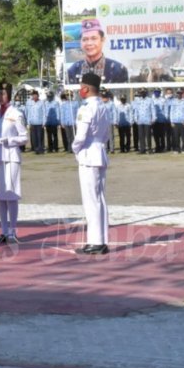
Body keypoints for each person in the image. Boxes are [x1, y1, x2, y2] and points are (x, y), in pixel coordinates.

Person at [72, 72, 112, 255]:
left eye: (81, 86)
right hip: (100, 152)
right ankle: (101, 240)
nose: (80, 89)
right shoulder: (104, 107)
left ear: (86, 88)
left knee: (91, 200)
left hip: (88, 154)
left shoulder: (86, 108)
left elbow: (80, 136)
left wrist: (75, 149)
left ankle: (95, 241)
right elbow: (107, 134)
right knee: (100, 199)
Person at [0, 81, 28, 245]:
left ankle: (13, 230)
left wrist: (9, 140)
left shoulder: (16, 114)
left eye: (2, 93)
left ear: (8, 94)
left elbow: (24, 138)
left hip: (10, 157)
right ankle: (3, 230)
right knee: (0, 196)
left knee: (11, 195)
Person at [67, 18, 129, 85]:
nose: (89, 43)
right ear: (80, 42)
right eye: (85, 39)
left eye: (94, 38)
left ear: (102, 40)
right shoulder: (73, 70)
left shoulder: (118, 70)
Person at [132, 88, 155, 154]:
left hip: (147, 120)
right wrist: (135, 119)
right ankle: (142, 149)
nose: (142, 93)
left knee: (148, 135)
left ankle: (149, 149)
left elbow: (152, 110)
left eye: (144, 92)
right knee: (141, 136)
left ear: (146, 93)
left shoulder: (150, 100)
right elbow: (136, 110)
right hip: (140, 120)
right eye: (141, 92)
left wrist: (153, 118)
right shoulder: (138, 100)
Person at [168, 89, 184, 153]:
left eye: (180, 93)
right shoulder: (173, 101)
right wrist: (171, 121)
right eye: (178, 93)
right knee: (176, 136)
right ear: (176, 94)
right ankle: (176, 149)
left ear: (182, 94)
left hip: (183, 121)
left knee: (183, 137)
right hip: (175, 121)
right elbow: (171, 111)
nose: (179, 94)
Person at [25, 90, 46, 155]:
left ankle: (41, 149)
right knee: (34, 137)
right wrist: (28, 122)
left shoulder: (41, 102)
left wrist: (44, 122)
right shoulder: (29, 103)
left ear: (37, 95)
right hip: (32, 122)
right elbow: (27, 112)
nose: (34, 96)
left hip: (39, 122)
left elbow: (44, 113)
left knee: (40, 136)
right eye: (33, 95)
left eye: (35, 95)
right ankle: (36, 149)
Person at [151, 88, 167, 153]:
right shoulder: (152, 100)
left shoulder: (163, 100)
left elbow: (165, 110)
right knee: (155, 135)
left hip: (161, 120)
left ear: (160, 93)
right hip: (154, 120)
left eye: (158, 92)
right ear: (154, 93)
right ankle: (157, 147)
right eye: (155, 92)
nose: (156, 93)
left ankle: (162, 147)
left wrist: (165, 118)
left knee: (162, 135)